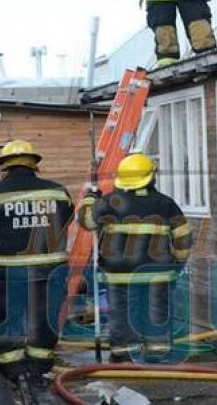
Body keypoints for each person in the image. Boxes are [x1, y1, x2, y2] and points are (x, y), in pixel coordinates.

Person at [0, 140, 73, 384]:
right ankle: (39, 366)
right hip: (49, 269)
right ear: (34, 164)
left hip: (6, 270)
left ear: (5, 166)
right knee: (44, 318)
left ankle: (11, 368)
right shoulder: (57, 191)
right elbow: (66, 218)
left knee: (5, 317)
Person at [78, 152, 192, 363]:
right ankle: (157, 355)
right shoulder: (166, 204)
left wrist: (90, 198)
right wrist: (178, 264)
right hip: (158, 274)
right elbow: (182, 238)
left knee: (122, 317)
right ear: (151, 177)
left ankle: (124, 356)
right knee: (156, 315)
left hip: (119, 276)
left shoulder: (109, 202)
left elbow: (87, 221)